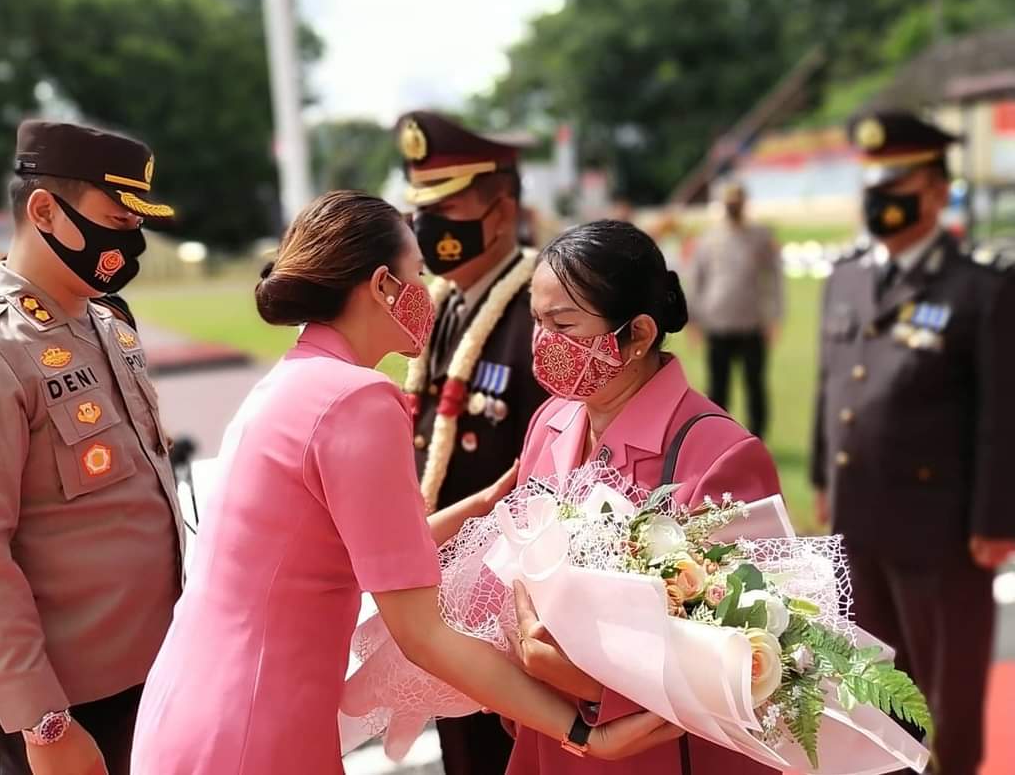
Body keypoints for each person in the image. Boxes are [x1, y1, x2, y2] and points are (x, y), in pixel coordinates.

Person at [129, 191, 679, 775]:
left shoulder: (296, 381)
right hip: (256, 729)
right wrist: (580, 732)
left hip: (193, 706)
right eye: (417, 274)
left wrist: (484, 505)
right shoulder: (357, 400)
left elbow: (362, 553)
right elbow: (424, 634)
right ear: (385, 287)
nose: (427, 293)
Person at [0, 121, 183, 775]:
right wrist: (44, 724)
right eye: (115, 220)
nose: (130, 243)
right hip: (69, 698)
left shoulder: (106, 325)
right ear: (44, 211)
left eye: (136, 224)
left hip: (149, 668)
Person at [506, 219, 783, 775]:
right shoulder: (552, 419)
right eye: (536, 320)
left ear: (636, 335)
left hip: (653, 756)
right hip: (550, 740)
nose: (542, 343)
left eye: (563, 323)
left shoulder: (719, 453)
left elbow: (748, 663)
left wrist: (580, 680)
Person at [811, 109, 1015, 775]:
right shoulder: (845, 277)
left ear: (934, 191)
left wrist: (995, 519)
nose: (880, 197)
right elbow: (830, 387)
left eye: (895, 183)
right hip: (858, 520)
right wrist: (821, 476)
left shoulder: (980, 288)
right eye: (872, 182)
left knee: (946, 698)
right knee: (874, 686)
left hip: (943, 532)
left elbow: (1000, 414)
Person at [397, 110, 549, 774]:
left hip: (505, 604)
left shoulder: (540, 310)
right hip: (442, 595)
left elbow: (549, 481)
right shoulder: (438, 307)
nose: (429, 227)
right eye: (421, 209)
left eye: (448, 206)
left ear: (500, 212)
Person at [686, 180, 783, 439]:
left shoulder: (760, 236)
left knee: (754, 384)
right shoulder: (709, 238)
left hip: (752, 322)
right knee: (718, 387)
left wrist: (775, 316)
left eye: (736, 201)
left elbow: (774, 277)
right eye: (729, 202)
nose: (733, 206)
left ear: (744, 203)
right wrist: (693, 318)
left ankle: (757, 437)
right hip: (717, 323)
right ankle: (720, 438)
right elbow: (697, 277)